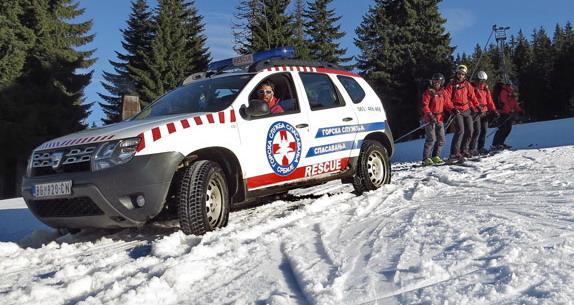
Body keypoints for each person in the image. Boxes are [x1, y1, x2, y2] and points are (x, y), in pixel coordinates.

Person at [444, 64, 479, 163]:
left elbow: (472, 97)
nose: (460, 76)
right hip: (457, 110)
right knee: (460, 130)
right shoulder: (451, 85)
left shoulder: (467, 84)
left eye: (462, 74)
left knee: (470, 130)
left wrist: (477, 107)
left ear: (465, 75)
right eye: (459, 73)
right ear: (456, 73)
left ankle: (464, 150)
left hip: (466, 109)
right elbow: (447, 99)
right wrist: (452, 108)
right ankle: (454, 153)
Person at [420, 73, 453, 166]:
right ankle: (426, 158)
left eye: (438, 82)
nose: (436, 83)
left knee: (442, 139)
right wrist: (430, 115)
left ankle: (435, 156)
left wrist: (453, 109)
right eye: (434, 81)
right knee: (431, 139)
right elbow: (424, 105)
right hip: (430, 119)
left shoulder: (443, 92)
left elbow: (447, 104)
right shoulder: (429, 92)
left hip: (439, 119)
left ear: (442, 82)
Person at [470, 71, 499, 155]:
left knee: (484, 130)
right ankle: (472, 148)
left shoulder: (485, 88)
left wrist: (493, 110)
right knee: (477, 130)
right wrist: (474, 109)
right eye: (480, 80)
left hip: (485, 111)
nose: (481, 82)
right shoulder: (473, 87)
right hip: (476, 111)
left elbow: (489, 100)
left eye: (483, 80)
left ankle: (481, 147)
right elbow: (471, 99)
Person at [492, 79, 521, 150]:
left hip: (508, 113)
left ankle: (501, 143)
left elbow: (514, 102)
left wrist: (519, 110)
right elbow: (503, 102)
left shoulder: (511, 92)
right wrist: (509, 111)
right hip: (502, 112)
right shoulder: (504, 91)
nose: (514, 87)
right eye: (513, 85)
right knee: (502, 128)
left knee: (508, 129)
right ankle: (495, 144)